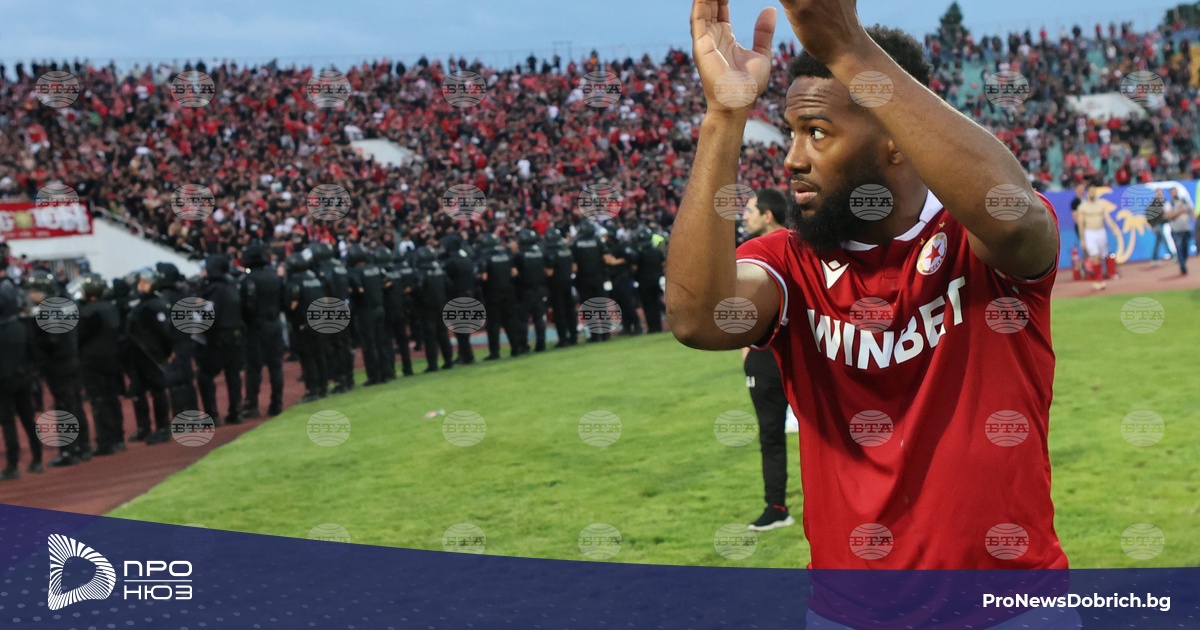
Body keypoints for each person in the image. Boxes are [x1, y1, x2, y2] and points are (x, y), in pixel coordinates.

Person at [671, 0, 1065, 573]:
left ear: (896, 139)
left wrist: (848, 47)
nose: (792, 159)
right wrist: (723, 117)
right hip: (846, 607)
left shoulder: (973, 241)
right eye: (792, 133)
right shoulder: (789, 263)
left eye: (817, 132)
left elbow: (1016, 222)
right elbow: (696, 319)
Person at [736, 188, 796, 531]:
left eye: (750, 210)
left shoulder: (798, 247)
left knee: (828, 434)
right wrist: (747, 349)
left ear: (767, 215)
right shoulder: (748, 251)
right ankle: (776, 507)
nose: (745, 216)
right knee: (770, 434)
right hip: (765, 358)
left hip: (804, 356)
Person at [24, 270, 92, 466]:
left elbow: (50, 340)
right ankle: (83, 446)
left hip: (57, 364)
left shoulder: (47, 309)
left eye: (32, 290)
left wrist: (36, 350)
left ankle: (69, 451)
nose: (30, 295)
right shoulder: (67, 304)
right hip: (72, 360)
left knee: (64, 407)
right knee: (75, 403)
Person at [72, 274, 125, 456]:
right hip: (112, 357)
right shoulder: (111, 307)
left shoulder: (88, 312)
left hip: (92, 360)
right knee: (113, 398)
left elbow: (80, 336)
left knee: (98, 400)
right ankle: (118, 438)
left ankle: (105, 442)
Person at [124, 268, 174, 444]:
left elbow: (164, 333)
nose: (140, 286)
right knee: (138, 391)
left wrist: (167, 353)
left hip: (152, 354)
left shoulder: (156, 305)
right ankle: (143, 427)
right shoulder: (141, 303)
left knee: (158, 391)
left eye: (144, 282)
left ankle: (163, 428)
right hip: (138, 354)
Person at [195, 253, 245, 426]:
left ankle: (212, 415)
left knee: (204, 376)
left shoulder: (213, 289)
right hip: (236, 336)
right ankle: (236, 411)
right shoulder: (233, 285)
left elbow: (209, 318)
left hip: (218, 339)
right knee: (233, 375)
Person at [0, 283, 41, 479]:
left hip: (3, 382)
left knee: (8, 424)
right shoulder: (22, 327)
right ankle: (37, 459)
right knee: (28, 420)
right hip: (23, 378)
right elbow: (33, 354)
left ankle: (13, 464)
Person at [241, 242, 286, 417]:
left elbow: (246, 307)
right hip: (274, 323)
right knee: (276, 366)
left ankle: (251, 405)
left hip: (256, 327)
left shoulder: (248, 280)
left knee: (253, 368)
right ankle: (277, 403)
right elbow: (283, 300)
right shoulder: (274, 277)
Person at [285, 252, 329, 402]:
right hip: (320, 321)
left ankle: (312, 389)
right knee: (320, 355)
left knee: (307, 357)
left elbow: (292, 305)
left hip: (304, 325)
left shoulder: (294, 282)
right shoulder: (314, 278)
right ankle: (324, 387)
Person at [157, 262, 199, 419]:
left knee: (175, 381)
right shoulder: (183, 292)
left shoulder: (164, 297)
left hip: (174, 342)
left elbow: (165, 325)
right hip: (185, 340)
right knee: (187, 378)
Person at [345, 243, 389, 386]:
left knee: (369, 345)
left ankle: (374, 375)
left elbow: (358, 291)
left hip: (365, 311)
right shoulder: (376, 268)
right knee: (381, 342)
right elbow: (387, 282)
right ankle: (386, 373)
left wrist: (353, 294)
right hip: (380, 308)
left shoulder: (354, 272)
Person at [476, 232, 523, 359]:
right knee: (511, 321)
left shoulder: (484, 257)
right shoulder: (506, 254)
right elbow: (514, 273)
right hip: (509, 291)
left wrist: (477, 279)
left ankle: (495, 352)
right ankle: (516, 348)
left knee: (493, 324)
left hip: (493, 293)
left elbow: (484, 277)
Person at [414, 246, 455, 372]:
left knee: (430, 336)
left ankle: (433, 364)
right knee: (443, 334)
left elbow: (418, 289)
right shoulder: (440, 269)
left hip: (427, 308)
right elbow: (449, 285)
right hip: (442, 304)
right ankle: (448, 360)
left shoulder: (420, 272)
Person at [441, 234, 478, 365]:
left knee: (460, 328)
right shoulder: (466, 258)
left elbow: (448, 282)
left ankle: (467, 356)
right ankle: (464, 353)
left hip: (457, 295)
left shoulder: (450, 262)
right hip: (469, 293)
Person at [571, 221, 610, 342]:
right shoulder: (598, 241)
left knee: (589, 307)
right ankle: (606, 334)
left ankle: (594, 335)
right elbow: (606, 259)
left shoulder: (576, 243)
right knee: (602, 305)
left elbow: (574, 267)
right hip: (598, 277)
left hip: (583, 279)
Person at [513, 229, 551, 353]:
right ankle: (541, 344)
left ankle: (523, 345)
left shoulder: (519, 256)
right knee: (539, 318)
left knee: (523, 319)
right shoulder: (541, 253)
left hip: (524, 290)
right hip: (540, 288)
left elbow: (515, 274)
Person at [543, 228, 578, 347]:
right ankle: (574, 336)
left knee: (559, 312)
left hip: (555, 285)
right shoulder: (566, 250)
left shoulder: (550, 252)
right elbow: (574, 268)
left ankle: (563, 339)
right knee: (570, 310)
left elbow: (550, 273)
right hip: (568, 282)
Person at [604, 233, 642, 336]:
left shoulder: (622, 246)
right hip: (615, 279)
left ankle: (637, 326)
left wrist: (616, 262)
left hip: (624, 277)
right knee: (620, 304)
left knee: (628, 302)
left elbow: (631, 257)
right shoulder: (609, 248)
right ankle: (627, 327)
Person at [1073, 184, 1109, 289]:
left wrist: (1115, 230)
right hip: (1090, 233)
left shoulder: (1101, 205)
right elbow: (1080, 224)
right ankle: (1098, 280)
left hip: (1101, 232)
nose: (1092, 193)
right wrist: (1082, 239)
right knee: (1095, 256)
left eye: (1094, 191)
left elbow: (1107, 219)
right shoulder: (1082, 207)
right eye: (1090, 191)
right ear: (1087, 193)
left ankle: (1099, 276)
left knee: (1102, 256)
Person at [631, 227, 666, 334]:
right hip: (657, 282)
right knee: (656, 303)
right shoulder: (657, 251)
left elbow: (634, 268)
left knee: (648, 306)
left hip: (644, 283)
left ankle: (652, 327)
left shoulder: (638, 253)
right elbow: (663, 264)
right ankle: (659, 326)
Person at [1164, 187, 1195, 275]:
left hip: (1186, 228)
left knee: (1185, 249)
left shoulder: (1184, 201)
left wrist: (1194, 217)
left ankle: (1183, 261)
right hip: (1176, 230)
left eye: (1175, 192)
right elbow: (1168, 215)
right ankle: (1182, 266)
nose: (1174, 193)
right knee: (1179, 248)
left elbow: (1191, 210)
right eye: (1172, 192)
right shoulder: (1169, 204)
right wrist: (1179, 211)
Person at [1145, 189, 1170, 266]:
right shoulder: (1153, 204)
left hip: (1162, 224)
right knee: (1163, 238)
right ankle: (1172, 255)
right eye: (1157, 193)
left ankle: (1154, 258)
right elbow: (1149, 216)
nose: (1159, 195)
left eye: (1160, 193)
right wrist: (1152, 226)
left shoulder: (1165, 202)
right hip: (1157, 225)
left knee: (1158, 241)